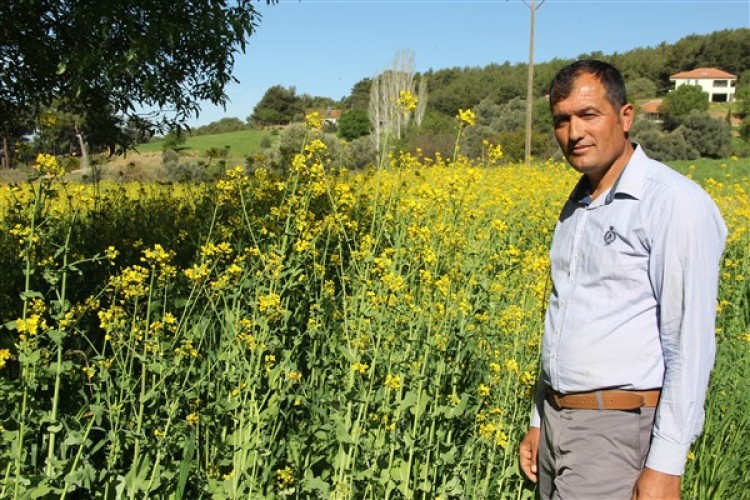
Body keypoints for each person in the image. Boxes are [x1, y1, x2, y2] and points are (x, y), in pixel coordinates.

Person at [518, 60, 727, 499]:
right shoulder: (577, 205)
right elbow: (565, 318)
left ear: (625, 116)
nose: (574, 133)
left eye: (588, 115)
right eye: (562, 120)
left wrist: (666, 466)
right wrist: (540, 420)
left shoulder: (671, 203)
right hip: (559, 422)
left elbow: (688, 343)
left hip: (615, 431)